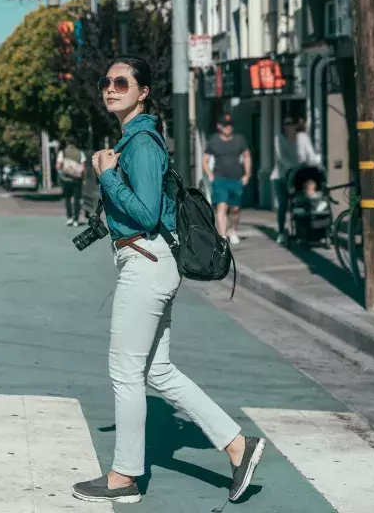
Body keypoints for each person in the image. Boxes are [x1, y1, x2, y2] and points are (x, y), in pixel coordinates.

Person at [71, 56, 266, 505]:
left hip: (145, 262)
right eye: (106, 81)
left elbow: (142, 211)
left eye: (122, 82)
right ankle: (239, 447)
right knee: (157, 369)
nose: (111, 88)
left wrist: (105, 177)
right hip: (152, 262)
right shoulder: (135, 139)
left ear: (143, 92)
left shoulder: (141, 143)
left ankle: (124, 477)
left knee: (125, 371)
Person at [271, 116, 322, 243]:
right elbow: (281, 157)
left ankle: (306, 230)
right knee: (283, 204)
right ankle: (282, 231)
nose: (289, 128)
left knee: (303, 201)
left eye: (292, 125)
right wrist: (293, 167)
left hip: (299, 175)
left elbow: (310, 154)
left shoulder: (303, 137)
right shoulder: (279, 139)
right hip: (281, 176)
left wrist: (315, 163)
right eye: (287, 125)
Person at [202, 114, 251, 245]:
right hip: (220, 179)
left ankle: (233, 230)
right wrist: (210, 175)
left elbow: (246, 156)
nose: (228, 128)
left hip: (236, 179)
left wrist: (247, 174)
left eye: (230, 125)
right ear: (219, 126)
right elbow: (205, 160)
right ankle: (223, 235)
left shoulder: (239, 140)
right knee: (221, 207)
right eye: (225, 125)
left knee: (235, 208)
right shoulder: (213, 141)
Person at [56, 140, 86, 227]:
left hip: (66, 180)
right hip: (77, 180)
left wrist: (63, 171)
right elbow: (83, 168)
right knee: (77, 199)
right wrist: (83, 178)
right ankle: (76, 220)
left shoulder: (63, 152)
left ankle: (69, 218)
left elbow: (58, 166)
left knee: (67, 199)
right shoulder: (80, 153)